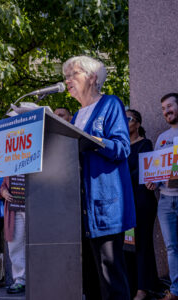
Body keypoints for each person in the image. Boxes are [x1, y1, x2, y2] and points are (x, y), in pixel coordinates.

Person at [62, 55, 136, 300]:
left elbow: (123, 148)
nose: (67, 80)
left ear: (92, 78)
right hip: (80, 209)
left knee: (110, 274)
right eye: (66, 76)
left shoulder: (110, 104)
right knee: (90, 278)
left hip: (105, 204)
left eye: (73, 74)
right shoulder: (76, 116)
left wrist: (94, 142)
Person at [146, 93, 178, 300]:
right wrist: (152, 181)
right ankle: (176, 290)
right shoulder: (162, 138)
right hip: (165, 201)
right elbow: (155, 169)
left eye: (169, 106)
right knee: (171, 247)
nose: (166, 111)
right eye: (163, 109)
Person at [126, 109, 158, 300]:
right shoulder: (120, 146)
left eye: (128, 118)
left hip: (142, 201)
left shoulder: (145, 144)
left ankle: (143, 289)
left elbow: (142, 171)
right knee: (127, 244)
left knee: (142, 244)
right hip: (125, 202)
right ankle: (131, 286)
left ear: (137, 124)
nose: (124, 121)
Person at [0, 176, 25, 294]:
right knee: (15, 246)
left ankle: (41, 276)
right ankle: (20, 280)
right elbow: (4, 185)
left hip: (35, 206)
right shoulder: (11, 161)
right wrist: (4, 192)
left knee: (39, 243)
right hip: (15, 210)